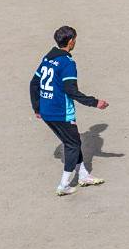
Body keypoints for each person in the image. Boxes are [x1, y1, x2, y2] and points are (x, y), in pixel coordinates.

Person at [31, 26, 108, 195]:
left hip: (46, 111)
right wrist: (95, 103)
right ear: (71, 41)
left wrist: (37, 107)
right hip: (61, 113)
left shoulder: (47, 58)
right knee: (73, 144)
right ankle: (64, 185)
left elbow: (34, 83)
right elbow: (71, 90)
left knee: (72, 141)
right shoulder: (67, 63)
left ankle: (83, 175)